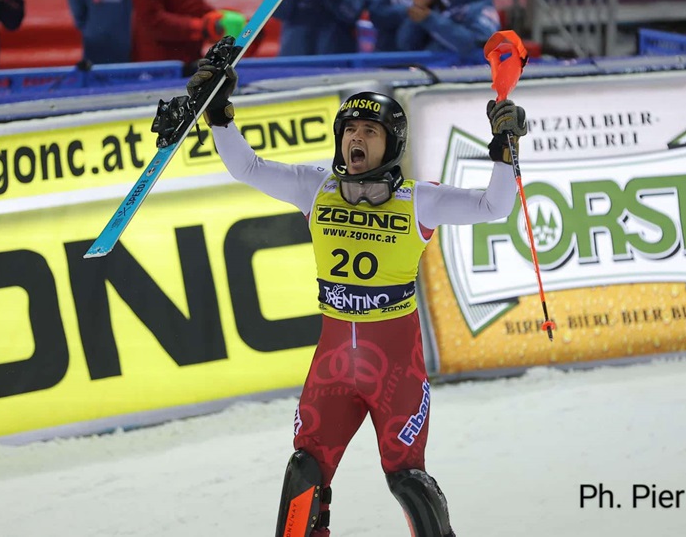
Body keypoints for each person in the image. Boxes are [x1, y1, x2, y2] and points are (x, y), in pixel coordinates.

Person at [185, 38, 528, 536]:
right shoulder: (316, 186)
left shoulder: (418, 201)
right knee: (303, 473)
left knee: (410, 483)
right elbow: (248, 168)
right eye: (349, 130)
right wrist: (218, 115)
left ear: (392, 141)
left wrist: (505, 149)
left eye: (369, 130)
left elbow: (493, 207)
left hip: (396, 370)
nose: (356, 139)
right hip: (332, 370)